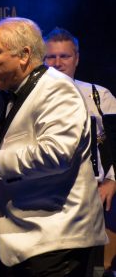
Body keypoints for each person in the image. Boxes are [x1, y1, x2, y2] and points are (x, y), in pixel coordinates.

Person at [0, 17, 107, 276]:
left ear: (24, 55)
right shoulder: (21, 92)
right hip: (29, 241)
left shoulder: (57, 89)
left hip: (55, 243)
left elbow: (57, 154)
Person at [44, 27, 116, 276]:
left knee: (90, 266)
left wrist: (112, 180)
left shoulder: (98, 95)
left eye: (64, 56)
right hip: (50, 195)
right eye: (51, 57)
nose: (58, 63)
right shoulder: (32, 98)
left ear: (77, 58)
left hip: (94, 192)